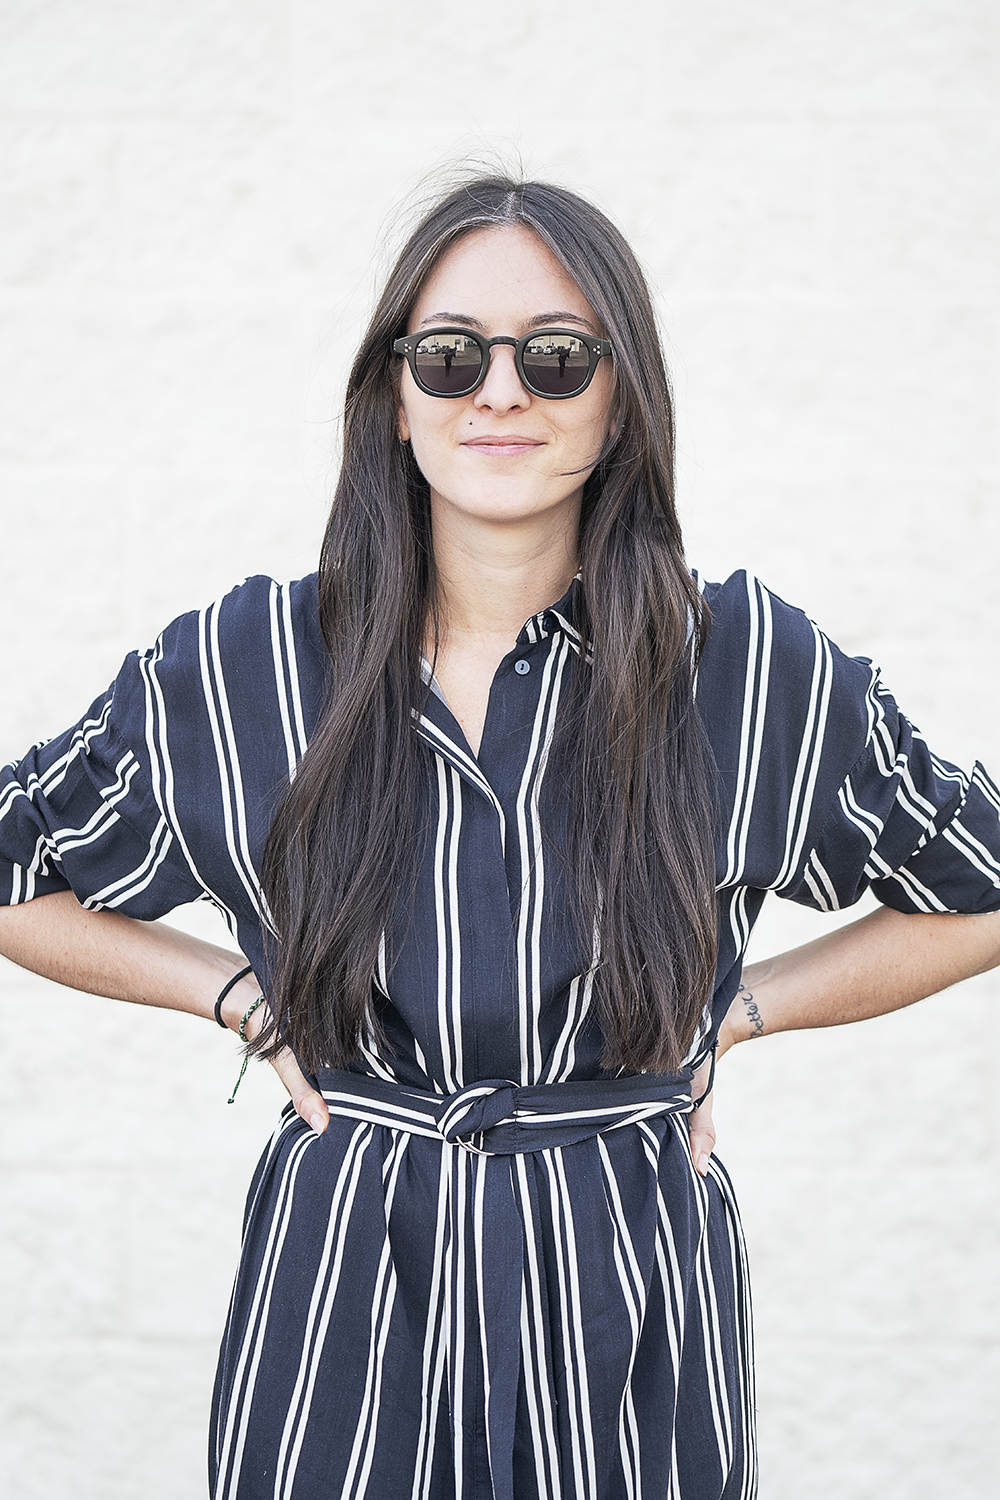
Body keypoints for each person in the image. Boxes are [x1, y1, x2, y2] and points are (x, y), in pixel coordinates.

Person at [1, 174, 999, 1500]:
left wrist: (740, 1014)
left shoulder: (749, 669)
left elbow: (978, 884)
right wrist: (236, 994)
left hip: (628, 1288)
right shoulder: (243, 664)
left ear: (621, 391)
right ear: (394, 394)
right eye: (451, 354)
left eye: (557, 356)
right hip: (347, 1284)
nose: (501, 393)